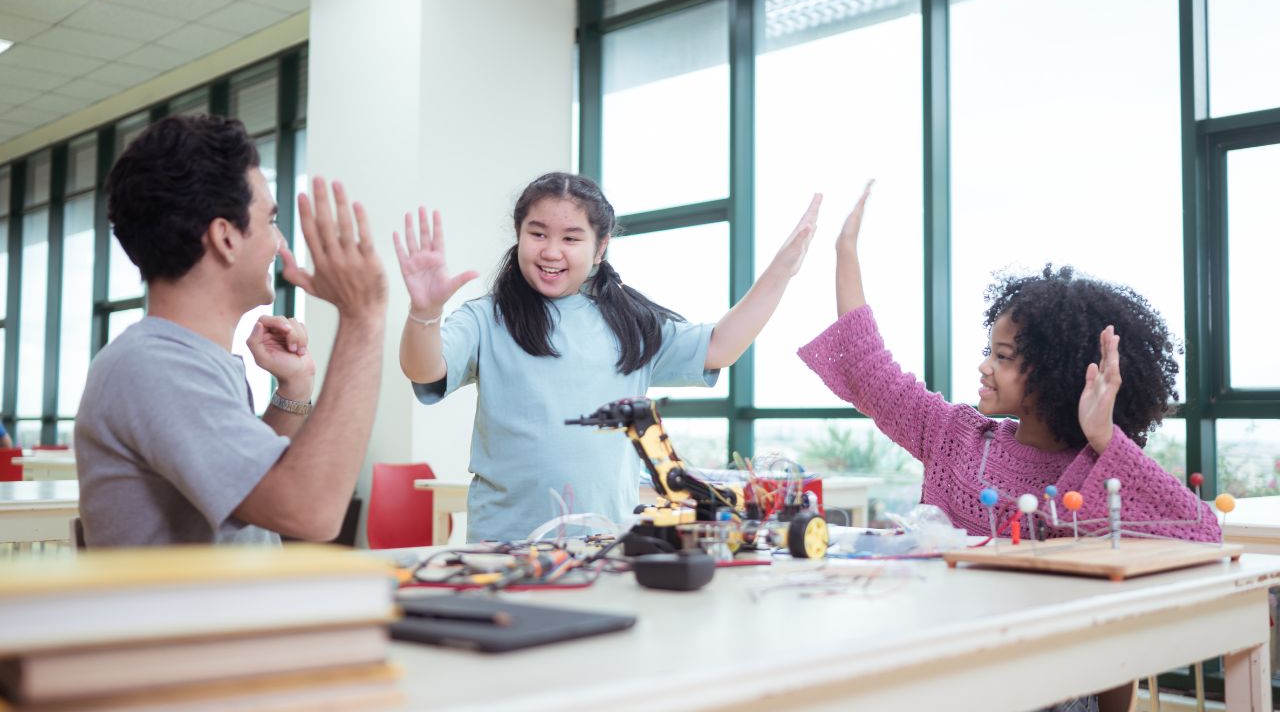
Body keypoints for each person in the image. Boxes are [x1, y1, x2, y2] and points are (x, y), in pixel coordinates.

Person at [397, 172, 820, 541]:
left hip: (604, 540)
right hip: (503, 544)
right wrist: (424, 313)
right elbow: (424, 367)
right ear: (519, 233)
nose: (550, 251)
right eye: (538, 233)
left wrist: (780, 271)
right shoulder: (486, 317)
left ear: (600, 249)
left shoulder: (630, 324)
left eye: (571, 238)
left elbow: (721, 347)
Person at [797, 181, 1219, 545]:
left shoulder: (1097, 469)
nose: (984, 367)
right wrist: (845, 252)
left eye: (1002, 357)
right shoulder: (954, 436)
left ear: (1054, 372)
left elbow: (1199, 530)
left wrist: (1105, 437)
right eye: (989, 353)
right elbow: (869, 367)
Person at [75, 115, 387, 546]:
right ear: (225, 238)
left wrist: (293, 391)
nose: (279, 245)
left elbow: (252, 487)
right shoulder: (155, 366)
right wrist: (363, 317)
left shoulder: (180, 359)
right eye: (270, 222)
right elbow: (309, 510)